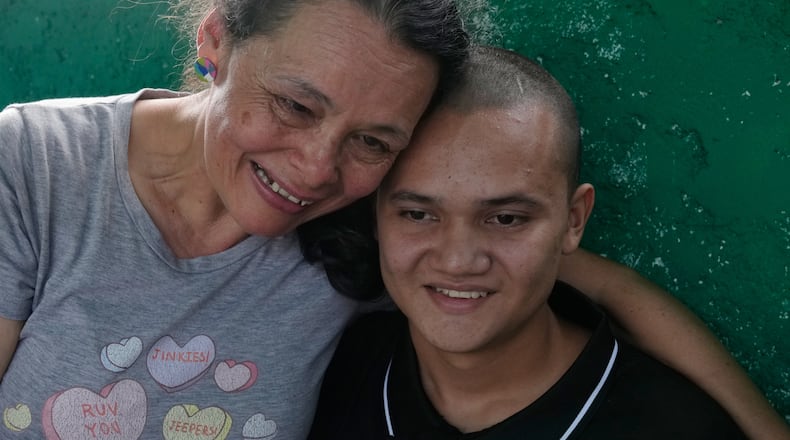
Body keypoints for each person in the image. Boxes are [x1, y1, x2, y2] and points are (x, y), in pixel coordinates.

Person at [0, 0, 785, 439]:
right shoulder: (33, 165)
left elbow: (587, 279)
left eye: (373, 141)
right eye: (295, 104)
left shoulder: (354, 229)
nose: (315, 170)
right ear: (215, 41)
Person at [307, 46, 761, 439]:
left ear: (573, 221)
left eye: (505, 218)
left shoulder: (674, 428)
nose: (458, 259)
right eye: (418, 214)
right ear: (375, 216)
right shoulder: (341, 367)